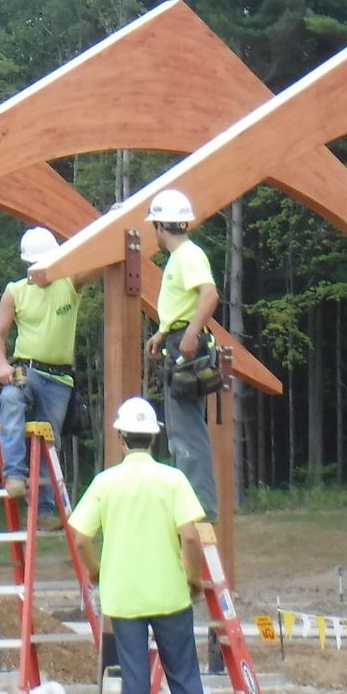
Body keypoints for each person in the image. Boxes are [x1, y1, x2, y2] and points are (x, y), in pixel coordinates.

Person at [68, 397, 217, 694]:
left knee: (134, 679)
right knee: (184, 675)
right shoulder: (173, 480)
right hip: (169, 594)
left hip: (124, 597)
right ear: (154, 438)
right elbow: (190, 534)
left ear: (120, 437)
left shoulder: (105, 483)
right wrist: (192, 577)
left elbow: (81, 537)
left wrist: (98, 573)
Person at [0, 226, 81, 508]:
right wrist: (3, 365)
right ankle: (15, 476)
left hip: (59, 378)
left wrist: (113, 225)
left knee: (47, 439)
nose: (39, 271)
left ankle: (46, 508)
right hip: (27, 371)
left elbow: (95, 260)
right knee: (10, 398)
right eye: (34, 265)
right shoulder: (15, 292)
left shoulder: (70, 284)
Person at [143, 188, 219, 519]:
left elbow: (209, 295)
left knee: (187, 431)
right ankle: (190, 503)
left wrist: (188, 334)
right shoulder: (181, 258)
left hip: (186, 346)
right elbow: (186, 303)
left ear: (160, 225)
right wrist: (163, 332)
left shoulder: (189, 256)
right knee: (178, 429)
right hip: (176, 340)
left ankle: (199, 506)